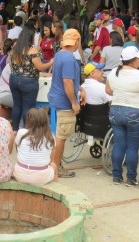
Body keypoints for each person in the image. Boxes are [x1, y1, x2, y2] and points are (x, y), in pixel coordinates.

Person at [106, 46, 139, 185]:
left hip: (115, 111)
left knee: (119, 145)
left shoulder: (114, 72)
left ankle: (116, 176)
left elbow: (108, 90)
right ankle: (131, 178)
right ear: (132, 61)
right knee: (132, 147)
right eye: (138, 58)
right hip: (134, 112)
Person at [48, 28, 85, 178]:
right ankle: (56, 168)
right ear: (76, 41)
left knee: (59, 135)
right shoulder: (69, 58)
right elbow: (67, 81)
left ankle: (54, 164)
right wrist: (74, 103)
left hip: (57, 98)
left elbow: (68, 79)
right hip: (65, 102)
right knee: (61, 137)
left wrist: (81, 89)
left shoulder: (59, 54)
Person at [9, 26, 53, 131]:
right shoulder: (32, 50)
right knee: (27, 108)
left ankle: (15, 130)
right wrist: (51, 62)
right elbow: (40, 67)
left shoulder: (15, 49)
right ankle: (27, 130)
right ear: (31, 37)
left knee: (17, 106)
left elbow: (11, 65)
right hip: (29, 82)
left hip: (14, 79)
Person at [13, 108, 58, 185]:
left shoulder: (21, 133)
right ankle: (55, 191)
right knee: (54, 166)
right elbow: (50, 161)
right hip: (41, 177)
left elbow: (18, 149)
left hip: (20, 175)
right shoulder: (50, 137)